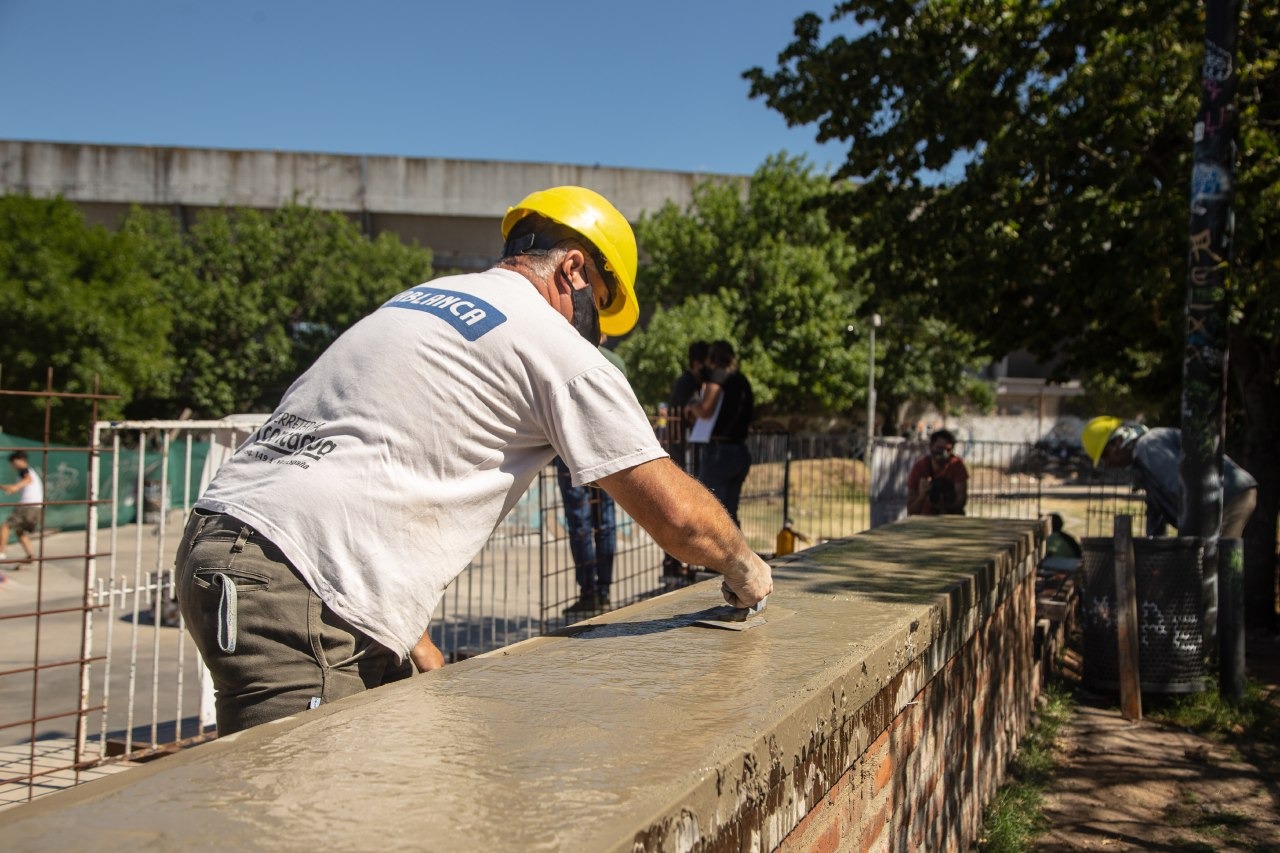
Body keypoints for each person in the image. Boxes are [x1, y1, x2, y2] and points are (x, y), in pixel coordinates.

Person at [176, 186, 772, 734]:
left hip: (228, 536)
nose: (601, 337)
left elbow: (375, 469)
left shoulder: (418, 302)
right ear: (573, 269)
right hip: (294, 587)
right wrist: (744, 567)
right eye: (603, 305)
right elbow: (678, 517)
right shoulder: (552, 342)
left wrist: (417, 644)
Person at [1082, 416, 1257, 538]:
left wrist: (1188, 538)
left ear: (1119, 442)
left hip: (1228, 496)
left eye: (1105, 456)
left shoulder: (1148, 446)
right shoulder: (1142, 463)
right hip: (1222, 498)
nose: (1108, 464)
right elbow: (1155, 510)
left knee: (1218, 562)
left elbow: (1181, 488)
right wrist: (1153, 546)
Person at [559, 343, 625, 618]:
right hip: (606, 450)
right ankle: (604, 589)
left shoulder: (565, 352)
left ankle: (588, 592)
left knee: (581, 524)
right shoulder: (615, 361)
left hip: (570, 450)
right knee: (605, 522)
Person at [684, 340, 754, 525]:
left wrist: (692, 406)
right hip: (740, 451)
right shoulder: (742, 380)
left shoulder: (718, 376)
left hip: (720, 454)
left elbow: (705, 410)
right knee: (729, 515)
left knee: (709, 512)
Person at [661, 340, 709, 584]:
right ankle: (674, 563)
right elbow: (685, 416)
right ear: (697, 363)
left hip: (684, 451)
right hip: (681, 453)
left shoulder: (692, 383)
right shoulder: (688, 384)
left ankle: (681, 562)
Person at [906, 429, 968, 516]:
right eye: (940, 448)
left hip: (950, 517)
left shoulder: (956, 465)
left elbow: (961, 500)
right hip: (925, 519)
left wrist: (944, 505)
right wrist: (921, 496)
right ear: (931, 447)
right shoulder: (920, 467)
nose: (944, 453)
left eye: (948, 450)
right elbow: (911, 510)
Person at [1, 451, 42, 565]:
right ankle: (30, 555)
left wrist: (16, 486)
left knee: (5, 527)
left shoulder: (24, 470)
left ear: (20, 461)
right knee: (20, 531)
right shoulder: (30, 471)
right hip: (36, 507)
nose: (12, 465)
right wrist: (6, 487)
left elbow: (28, 479)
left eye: (13, 462)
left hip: (27, 506)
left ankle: (1, 553)